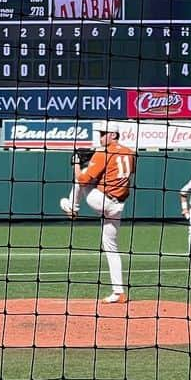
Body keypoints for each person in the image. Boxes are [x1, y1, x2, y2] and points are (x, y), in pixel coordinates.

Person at [59, 127, 136, 304]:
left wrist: (77, 164)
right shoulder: (130, 153)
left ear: (114, 135)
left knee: (81, 178)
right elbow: (128, 174)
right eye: (100, 134)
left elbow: (83, 179)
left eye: (104, 133)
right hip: (118, 206)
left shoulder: (103, 153)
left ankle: (71, 206)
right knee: (111, 247)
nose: (100, 137)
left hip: (103, 201)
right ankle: (119, 292)